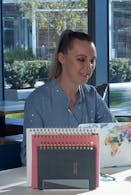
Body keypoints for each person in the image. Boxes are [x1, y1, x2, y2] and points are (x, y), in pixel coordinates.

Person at [21, 30, 116, 164]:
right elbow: (28, 157)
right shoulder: (37, 100)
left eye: (92, 61)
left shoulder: (92, 95)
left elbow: (116, 136)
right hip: (51, 181)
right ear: (62, 58)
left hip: (88, 176)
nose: (89, 68)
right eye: (81, 59)